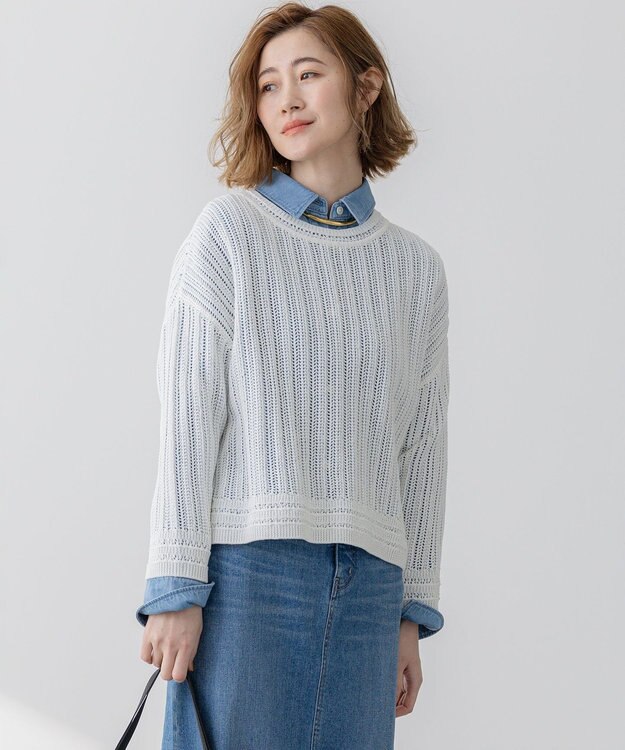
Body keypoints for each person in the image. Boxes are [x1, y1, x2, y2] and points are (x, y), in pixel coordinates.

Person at [136, 3, 450, 748]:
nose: (287, 99)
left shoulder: (416, 269)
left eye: (308, 74)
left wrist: (410, 612)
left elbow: (423, 450)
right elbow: (188, 421)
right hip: (250, 579)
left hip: (371, 588)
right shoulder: (228, 235)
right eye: (268, 85)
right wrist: (174, 587)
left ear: (365, 88)